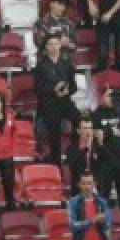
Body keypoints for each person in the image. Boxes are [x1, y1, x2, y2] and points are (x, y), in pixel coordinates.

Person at [36, 34, 81, 163]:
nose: (54, 47)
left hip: (65, 101)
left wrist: (67, 90)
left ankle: (74, 149)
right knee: (54, 134)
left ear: (60, 45)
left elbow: (74, 86)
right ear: (46, 48)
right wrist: (53, 90)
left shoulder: (66, 64)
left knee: (80, 119)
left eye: (56, 43)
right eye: (51, 44)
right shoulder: (41, 66)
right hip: (49, 104)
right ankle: (56, 164)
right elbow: (38, 89)